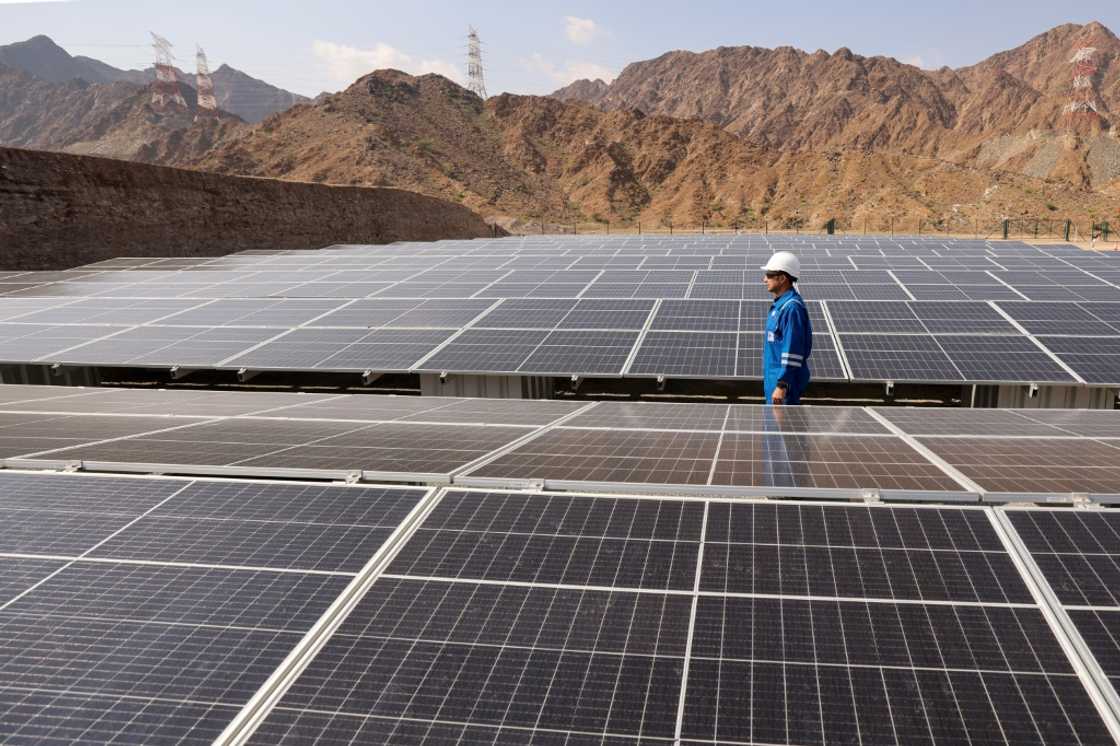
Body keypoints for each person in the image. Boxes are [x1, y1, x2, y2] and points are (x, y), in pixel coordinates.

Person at [761, 251, 812, 405]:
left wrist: (782, 385)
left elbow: (793, 349)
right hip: (774, 379)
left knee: (782, 427)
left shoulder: (791, 309)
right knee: (772, 426)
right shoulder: (780, 306)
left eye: (769, 275)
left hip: (783, 386)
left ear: (782, 278)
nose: (764, 279)